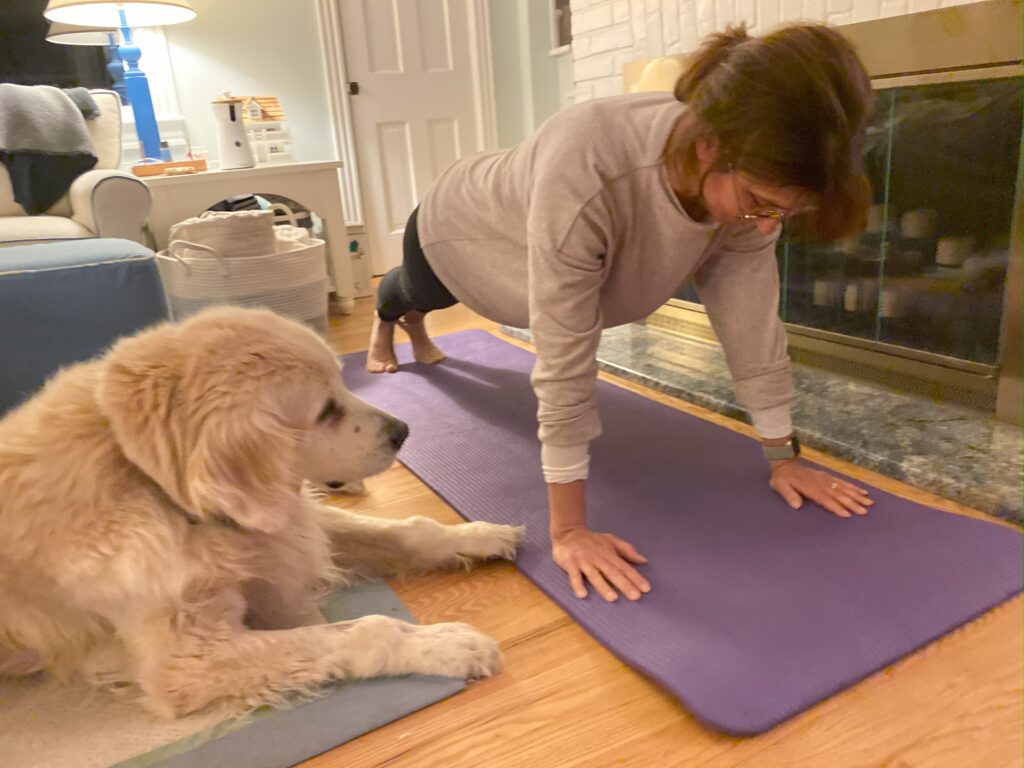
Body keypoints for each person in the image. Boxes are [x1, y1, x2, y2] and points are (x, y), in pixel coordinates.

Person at [366, 22, 876, 603]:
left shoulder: (748, 189)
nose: (766, 224)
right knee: (417, 292)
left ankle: (406, 319)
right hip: (457, 229)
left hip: (528, 228)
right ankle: (389, 321)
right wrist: (569, 530)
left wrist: (784, 459)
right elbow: (565, 355)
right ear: (710, 145)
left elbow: (753, 324)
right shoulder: (590, 161)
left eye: (783, 212)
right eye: (760, 202)